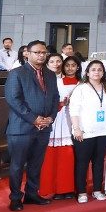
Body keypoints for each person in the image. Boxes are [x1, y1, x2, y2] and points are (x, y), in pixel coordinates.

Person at [4, 40, 59, 211]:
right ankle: (15, 198)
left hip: (44, 127)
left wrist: (50, 117)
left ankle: (32, 194)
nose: (41, 55)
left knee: (36, 164)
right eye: (37, 52)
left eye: (44, 52)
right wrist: (34, 118)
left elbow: (55, 98)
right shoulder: (17, 73)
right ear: (27, 53)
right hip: (21, 128)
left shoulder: (50, 74)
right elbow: (13, 99)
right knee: (17, 165)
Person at [69, 60, 106, 203]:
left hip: (104, 131)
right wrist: (77, 129)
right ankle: (81, 191)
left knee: (99, 161)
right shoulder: (80, 88)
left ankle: (97, 190)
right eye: (93, 69)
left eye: (99, 69)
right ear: (87, 73)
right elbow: (73, 110)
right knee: (82, 162)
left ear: (103, 72)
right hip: (85, 131)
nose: (96, 72)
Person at [40, 54, 77, 200]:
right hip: (50, 119)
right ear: (47, 64)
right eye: (52, 61)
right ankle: (50, 187)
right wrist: (59, 105)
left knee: (67, 155)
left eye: (58, 61)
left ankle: (66, 187)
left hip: (68, 119)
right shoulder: (43, 80)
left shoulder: (71, 81)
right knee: (50, 156)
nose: (56, 64)